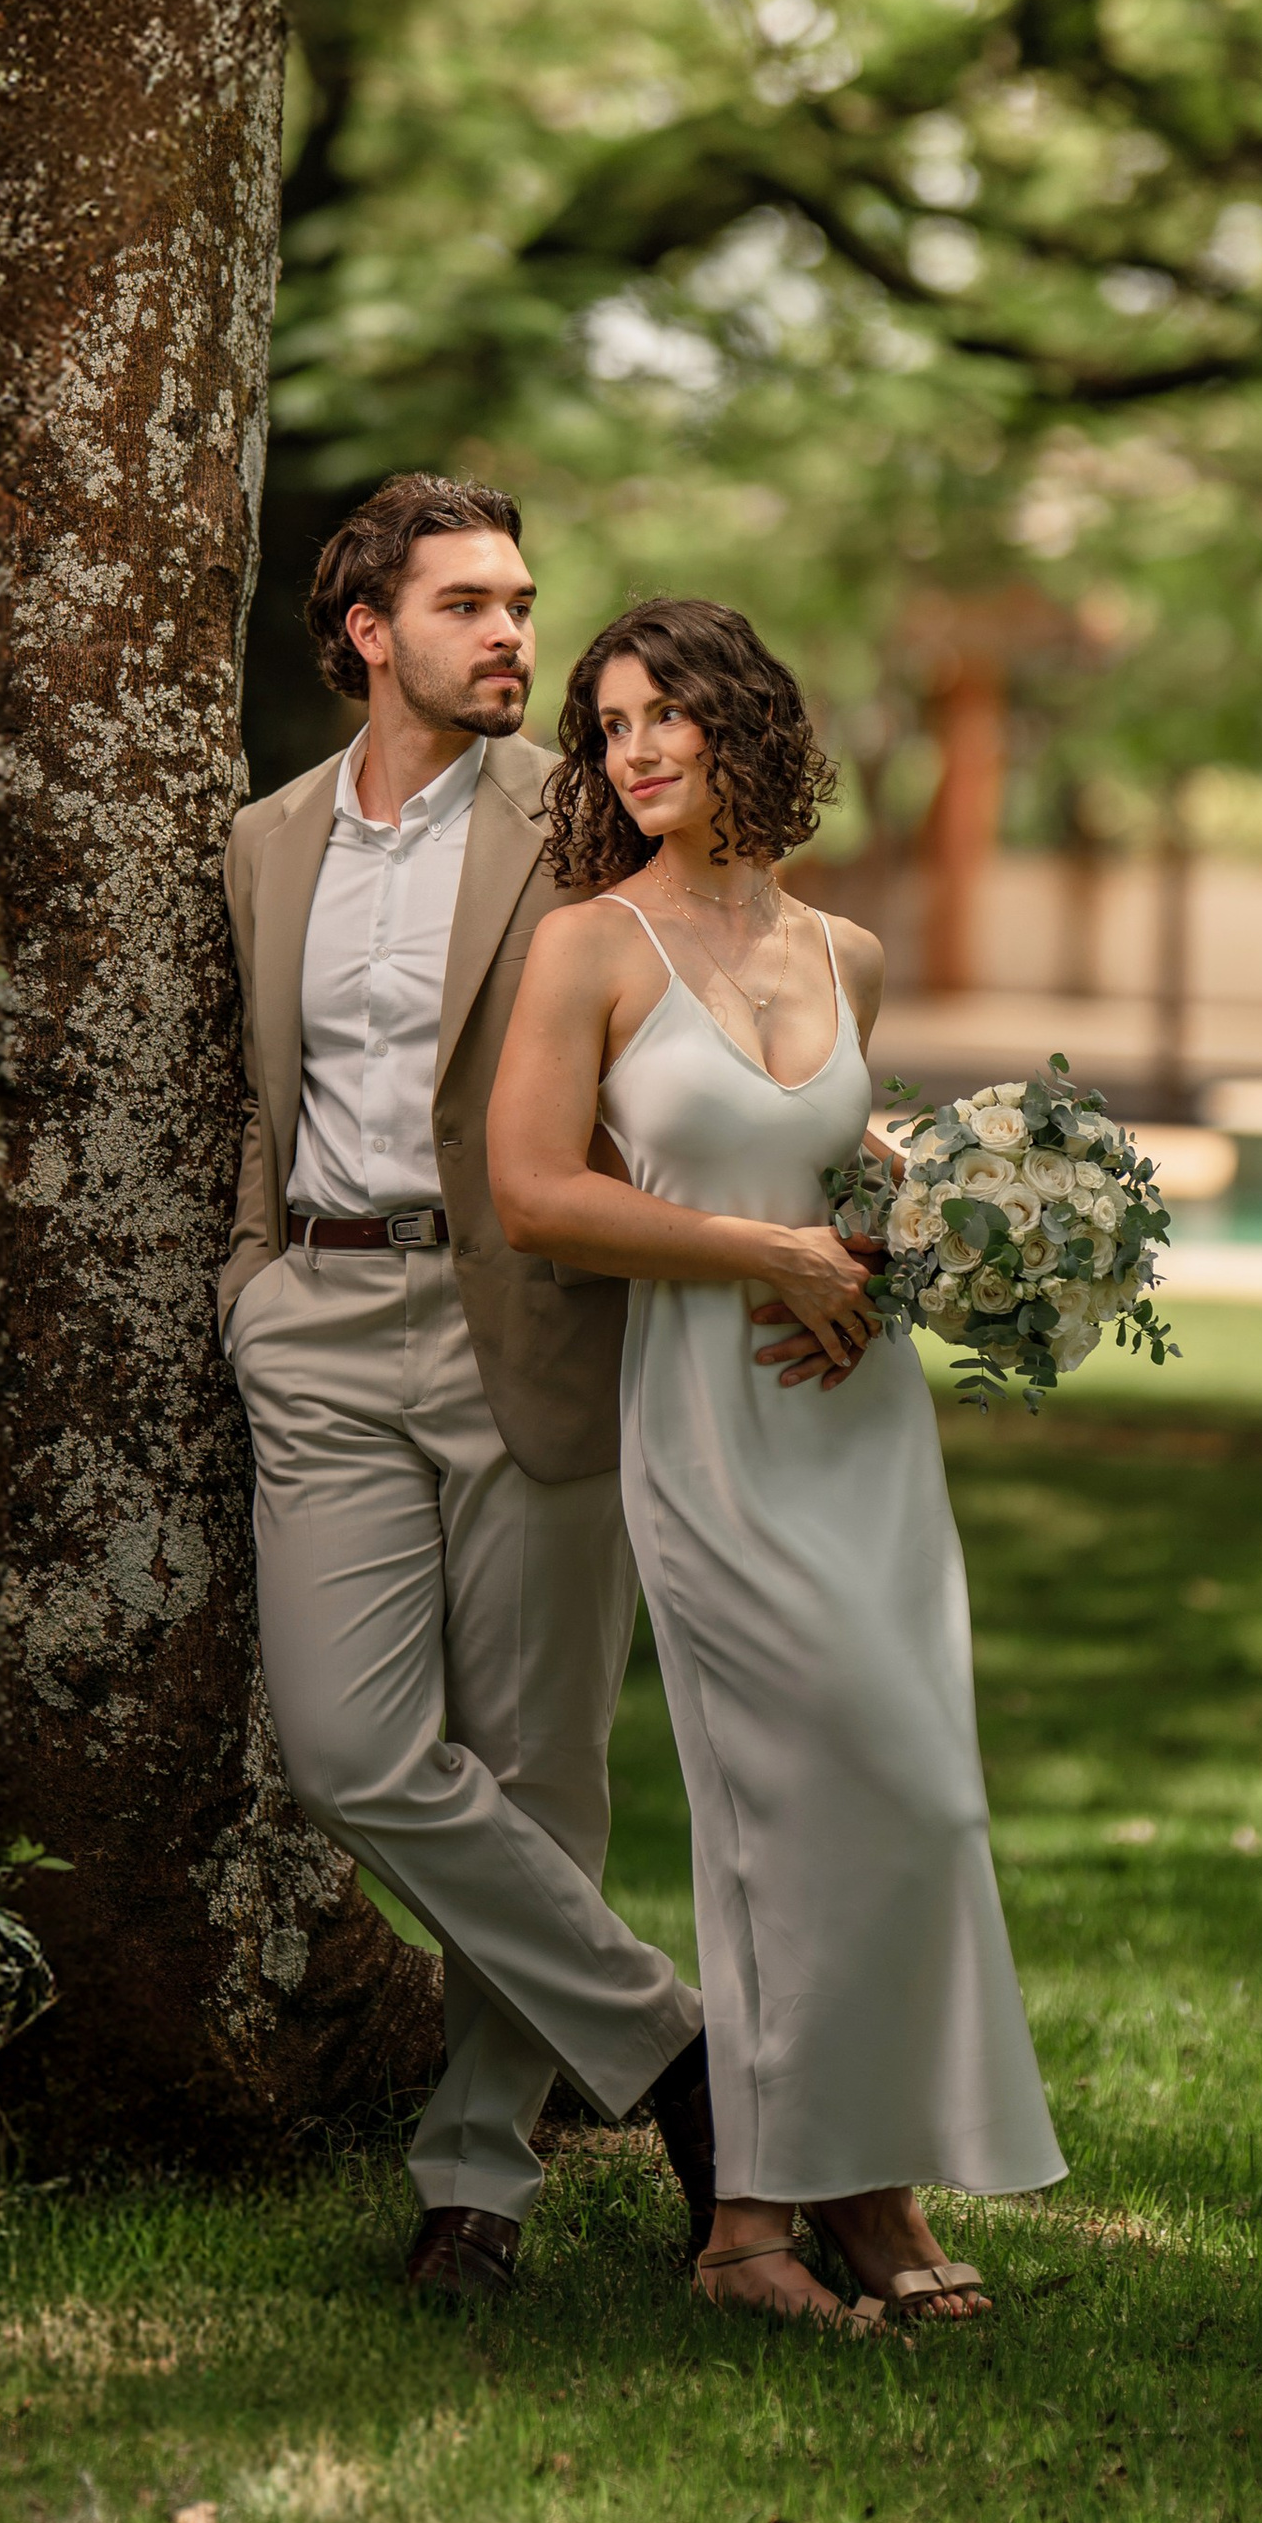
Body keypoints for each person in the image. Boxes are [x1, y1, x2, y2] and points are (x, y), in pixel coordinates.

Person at [487, 596, 1065, 2333]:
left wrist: (873, 1285)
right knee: (791, 1810)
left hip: (856, 1426)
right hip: (708, 1420)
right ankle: (789, 2219)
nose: (635, 749)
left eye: (666, 714)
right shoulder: (588, 945)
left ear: (746, 725)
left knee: (917, 1801)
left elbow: (849, 1191)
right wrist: (767, 1263)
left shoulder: (846, 954)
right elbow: (536, 1194)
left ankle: (816, 2195)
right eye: (607, 725)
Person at [221, 476, 716, 2302]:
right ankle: (680, 2056)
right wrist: (256, 1274)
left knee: (535, 1766)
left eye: (523, 602)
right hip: (324, 1317)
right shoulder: (267, 839)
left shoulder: (585, 814)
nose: (517, 634)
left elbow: (722, 1008)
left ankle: (476, 2186)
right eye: (469, 607)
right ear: (368, 633)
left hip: (535, 1316)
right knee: (354, 1750)